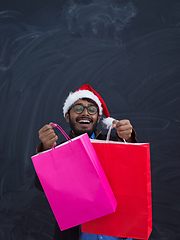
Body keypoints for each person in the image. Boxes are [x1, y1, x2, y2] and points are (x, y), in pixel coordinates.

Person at [35, 84, 137, 240]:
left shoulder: (113, 143)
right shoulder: (58, 150)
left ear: (98, 117)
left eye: (92, 109)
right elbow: (42, 186)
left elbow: (134, 170)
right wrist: (45, 151)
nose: (85, 113)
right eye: (78, 108)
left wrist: (128, 138)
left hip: (118, 233)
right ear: (67, 116)